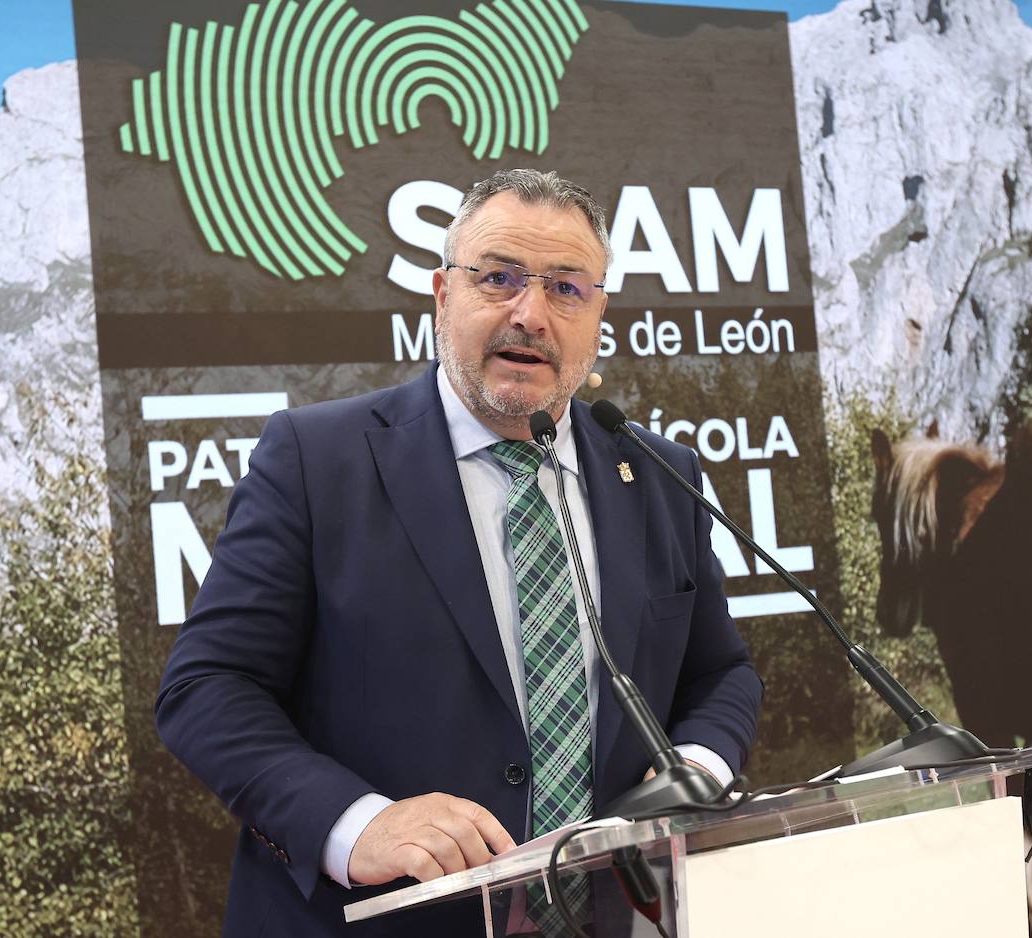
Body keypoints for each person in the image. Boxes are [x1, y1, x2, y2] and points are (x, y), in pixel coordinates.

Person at [156, 169, 763, 937]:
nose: (530, 314)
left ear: (600, 314)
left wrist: (696, 772)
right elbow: (208, 688)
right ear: (443, 295)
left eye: (567, 288)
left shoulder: (658, 471)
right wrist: (356, 824)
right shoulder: (317, 460)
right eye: (499, 278)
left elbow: (721, 675)